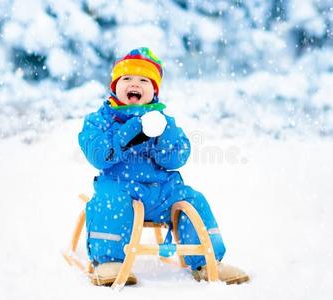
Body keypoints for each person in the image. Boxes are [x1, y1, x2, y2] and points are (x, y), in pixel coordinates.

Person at [78, 47, 249, 286]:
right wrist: (130, 132)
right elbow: (100, 155)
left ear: (154, 91)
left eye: (143, 80)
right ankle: (109, 262)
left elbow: (178, 156)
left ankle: (207, 261)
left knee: (193, 200)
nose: (134, 83)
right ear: (114, 86)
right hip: (119, 186)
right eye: (126, 78)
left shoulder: (163, 121)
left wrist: (161, 135)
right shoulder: (100, 120)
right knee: (110, 203)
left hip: (161, 190)